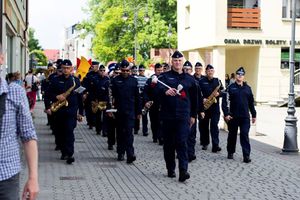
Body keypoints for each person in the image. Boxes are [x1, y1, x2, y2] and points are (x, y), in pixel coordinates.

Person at [0, 44, 39, 200]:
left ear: (1, 59)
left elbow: (28, 136)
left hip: (5, 175)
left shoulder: (14, 93)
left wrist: (33, 178)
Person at [158, 51, 197, 182]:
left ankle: (183, 171)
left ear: (182, 61)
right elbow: (156, 89)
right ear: (171, 62)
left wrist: (193, 115)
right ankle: (170, 169)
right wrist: (165, 91)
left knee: (182, 142)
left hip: (183, 116)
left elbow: (195, 99)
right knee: (169, 144)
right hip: (167, 116)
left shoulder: (190, 79)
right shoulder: (164, 77)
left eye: (180, 60)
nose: (178, 63)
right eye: (175, 61)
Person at [46, 59, 83, 164]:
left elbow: (80, 98)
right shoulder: (55, 80)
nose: (66, 70)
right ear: (61, 68)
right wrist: (56, 97)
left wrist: (81, 112)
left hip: (71, 111)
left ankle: (69, 153)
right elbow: (48, 94)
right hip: (59, 111)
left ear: (71, 69)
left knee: (69, 132)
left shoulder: (76, 81)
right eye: (64, 68)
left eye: (68, 68)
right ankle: (63, 151)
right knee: (60, 132)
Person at [109, 59, 142, 163]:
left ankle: (130, 154)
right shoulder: (115, 80)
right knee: (120, 133)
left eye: (127, 70)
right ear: (121, 70)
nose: (125, 72)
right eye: (123, 70)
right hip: (118, 111)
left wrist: (138, 112)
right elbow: (110, 97)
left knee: (129, 133)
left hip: (130, 111)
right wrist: (109, 110)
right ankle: (120, 152)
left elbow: (137, 97)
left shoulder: (134, 80)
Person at [222, 67, 256, 163]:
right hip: (233, 116)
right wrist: (226, 114)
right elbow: (225, 102)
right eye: (238, 74)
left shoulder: (248, 89)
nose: (240, 76)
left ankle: (246, 155)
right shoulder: (230, 88)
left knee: (244, 135)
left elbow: (251, 103)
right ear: (236, 75)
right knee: (232, 135)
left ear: (244, 76)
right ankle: (230, 152)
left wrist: (254, 115)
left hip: (245, 117)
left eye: (241, 74)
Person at [199, 64, 224, 152]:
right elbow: (198, 93)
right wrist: (203, 99)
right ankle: (205, 143)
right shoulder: (201, 81)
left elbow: (223, 92)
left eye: (212, 71)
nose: (210, 72)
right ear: (206, 72)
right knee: (204, 126)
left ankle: (215, 145)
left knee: (214, 126)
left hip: (215, 108)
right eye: (209, 71)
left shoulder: (218, 81)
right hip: (205, 107)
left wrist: (219, 94)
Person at [187, 62, 205, 162]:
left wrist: (201, 110)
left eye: (188, 69)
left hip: (192, 112)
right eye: (185, 68)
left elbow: (199, 98)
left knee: (192, 134)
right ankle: (182, 151)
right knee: (182, 134)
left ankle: (191, 153)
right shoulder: (178, 81)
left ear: (191, 70)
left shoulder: (195, 83)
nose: (187, 70)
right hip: (181, 113)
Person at [143, 63, 164, 144]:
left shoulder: (165, 79)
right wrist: (147, 101)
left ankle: (161, 137)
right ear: (155, 70)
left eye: (161, 70)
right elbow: (145, 92)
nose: (160, 72)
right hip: (153, 104)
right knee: (154, 121)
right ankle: (155, 136)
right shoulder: (150, 80)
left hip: (162, 104)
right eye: (158, 70)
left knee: (161, 121)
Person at [82, 61, 100, 129]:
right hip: (89, 94)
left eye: (94, 66)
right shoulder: (88, 75)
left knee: (96, 110)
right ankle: (90, 122)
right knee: (89, 109)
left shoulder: (99, 74)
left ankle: (95, 123)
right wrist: (84, 93)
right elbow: (84, 85)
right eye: (92, 66)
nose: (92, 67)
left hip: (97, 95)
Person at [134, 64, 149, 136]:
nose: (142, 72)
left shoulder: (147, 79)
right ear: (138, 71)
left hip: (144, 99)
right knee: (137, 114)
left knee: (145, 115)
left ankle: (145, 131)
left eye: (143, 70)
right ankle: (136, 129)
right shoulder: (135, 78)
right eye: (140, 70)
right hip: (138, 98)